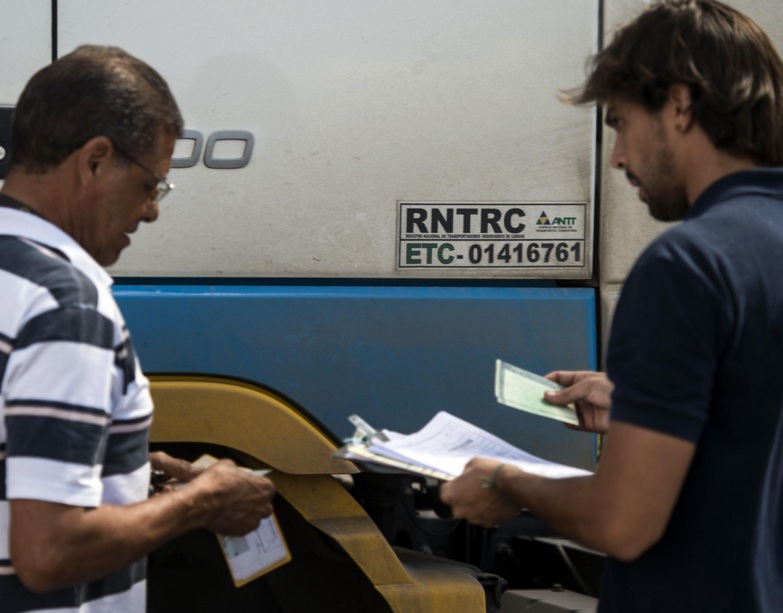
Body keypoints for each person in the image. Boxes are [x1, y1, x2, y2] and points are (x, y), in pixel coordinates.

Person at [440, 1, 783, 611]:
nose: (619, 156)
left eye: (621, 123)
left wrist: (508, 482)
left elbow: (623, 523)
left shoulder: (688, 265)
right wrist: (643, 402)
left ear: (680, 104)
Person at [0, 45, 276, 612]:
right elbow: (49, 551)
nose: (152, 211)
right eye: (152, 184)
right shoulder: (66, 306)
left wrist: (129, 463)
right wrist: (203, 502)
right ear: (95, 161)